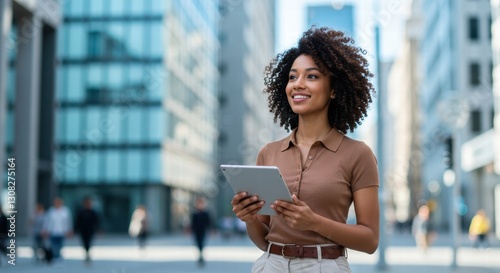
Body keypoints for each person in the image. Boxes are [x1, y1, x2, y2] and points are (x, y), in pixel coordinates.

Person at [230, 26, 379, 273]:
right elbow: (263, 239)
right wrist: (250, 218)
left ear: (333, 89)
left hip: (325, 265)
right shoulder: (268, 152)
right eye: (292, 77)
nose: (298, 84)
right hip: (271, 264)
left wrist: (314, 222)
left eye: (311, 76)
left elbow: (370, 240)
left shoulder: (358, 154)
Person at [42, 197, 73, 266]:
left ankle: (58, 256)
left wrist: (69, 230)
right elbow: (47, 221)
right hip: (53, 231)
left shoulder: (65, 211)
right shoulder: (51, 211)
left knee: (60, 245)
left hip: (62, 231)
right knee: (54, 245)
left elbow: (68, 221)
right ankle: (56, 257)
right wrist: (45, 229)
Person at [75, 197, 100, 264]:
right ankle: (86, 253)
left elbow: (96, 222)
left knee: (89, 242)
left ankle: (87, 253)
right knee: (84, 242)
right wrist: (76, 229)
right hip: (83, 230)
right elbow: (78, 221)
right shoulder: (81, 212)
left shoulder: (93, 212)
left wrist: (98, 229)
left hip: (90, 230)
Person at [190, 197, 212, 266]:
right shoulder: (194, 213)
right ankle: (200, 254)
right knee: (198, 242)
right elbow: (192, 223)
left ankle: (201, 255)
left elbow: (208, 222)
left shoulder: (205, 213)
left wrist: (211, 230)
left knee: (201, 242)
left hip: (203, 230)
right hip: (196, 231)